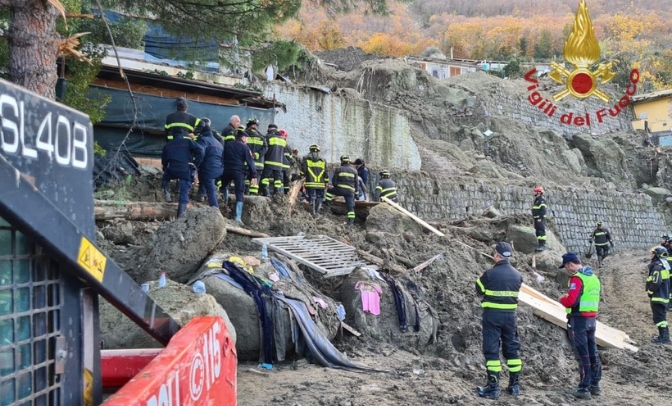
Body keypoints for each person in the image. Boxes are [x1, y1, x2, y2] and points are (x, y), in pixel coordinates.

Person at [475, 242, 523, 399]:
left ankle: (493, 387)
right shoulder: (518, 275)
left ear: (496, 255)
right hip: (510, 316)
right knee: (512, 349)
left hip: (492, 316)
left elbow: (479, 290)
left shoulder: (489, 274)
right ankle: (514, 385)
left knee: (491, 349)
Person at [558, 252, 602, 400]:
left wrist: (562, 299)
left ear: (570, 264)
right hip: (591, 320)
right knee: (592, 352)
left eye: (565, 267)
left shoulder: (577, 278)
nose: (566, 270)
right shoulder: (593, 278)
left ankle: (583, 388)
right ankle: (595, 385)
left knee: (582, 354)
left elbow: (571, 301)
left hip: (578, 320)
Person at [161, 131, 204, 217]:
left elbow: (164, 161)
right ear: (182, 136)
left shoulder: (168, 144)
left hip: (172, 168)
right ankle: (180, 216)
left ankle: (167, 194)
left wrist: (166, 169)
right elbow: (201, 150)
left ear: (173, 136)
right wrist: (195, 164)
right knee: (184, 193)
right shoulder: (188, 142)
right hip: (185, 169)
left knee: (165, 179)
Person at [220, 127, 258, 224]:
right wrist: (254, 175)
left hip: (226, 171)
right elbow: (250, 162)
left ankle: (224, 206)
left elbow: (222, 157)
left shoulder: (228, 145)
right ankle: (237, 218)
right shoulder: (244, 147)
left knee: (224, 187)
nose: (247, 140)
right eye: (247, 139)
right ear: (243, 138)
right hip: (238, 172)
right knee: (239, 193)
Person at [194, 118, 224, 208]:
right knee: (206, 180)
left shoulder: (204, 140)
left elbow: (200, 153)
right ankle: (201, 195)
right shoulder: (217, 142)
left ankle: (215, 208)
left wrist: (194, 165)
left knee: (210, 188)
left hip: (209, 168)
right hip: (219, 168)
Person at [325, 155, 359, 225]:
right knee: (350, 207)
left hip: (340, 190)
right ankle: (350, 222)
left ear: (342, 161)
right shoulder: (354, 171)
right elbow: (356, 183)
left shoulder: (338, 169)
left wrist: (336, 186)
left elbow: (334, 181)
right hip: (350, 192)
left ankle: (327, 203)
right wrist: (356, 193)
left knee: (329, 191)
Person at [647, 246, 670, 344]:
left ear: (656, 255)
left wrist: (650, 292)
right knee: (662, 317)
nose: (651, 255)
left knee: (659, 318)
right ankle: (665, 336)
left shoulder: (657, 267)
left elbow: (656, 282)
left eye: (652, 253)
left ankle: (664, 338)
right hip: (663, 296)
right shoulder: (664, 266)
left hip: (658, 297)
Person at [301, 144, 328, 216]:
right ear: (318, 151)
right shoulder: (323, 160)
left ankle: (312, 213)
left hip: (310, 183)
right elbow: (326, 172)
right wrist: (326, 182)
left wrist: (301, 176)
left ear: (310, 150)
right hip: (321, 183)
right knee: (319, 197)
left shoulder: (306, 158)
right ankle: (317, 212)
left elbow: (303, 170)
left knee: (311, 197)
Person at [260, 124, 286, 196]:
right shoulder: (282, 139)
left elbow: (264, 148)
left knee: (265, 178)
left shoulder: (268, 137)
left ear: (269, 129)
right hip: (279, 163)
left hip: (269, 161)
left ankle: (266, 193)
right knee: (277, 180)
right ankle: (277, 194)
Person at [244, 118, 267, 195]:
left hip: (247, 163)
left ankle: (245, 192)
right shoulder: (262, 137)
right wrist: (257, 154)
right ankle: (253, 195)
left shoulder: (244, 135)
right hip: (258, 164)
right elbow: (265, 148)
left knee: (246, 178)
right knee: (254, 180)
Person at [532, 186, 547, 251]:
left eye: (535, 192)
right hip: (536, 219)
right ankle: (539, 245)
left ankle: (542, 245)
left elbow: (543, 210)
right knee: (538, 232)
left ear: (539, 193)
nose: (534, 193)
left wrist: (540, 217)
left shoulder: (541, 201)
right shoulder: (537, 200)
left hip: (539, 219)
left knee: (541, 232)